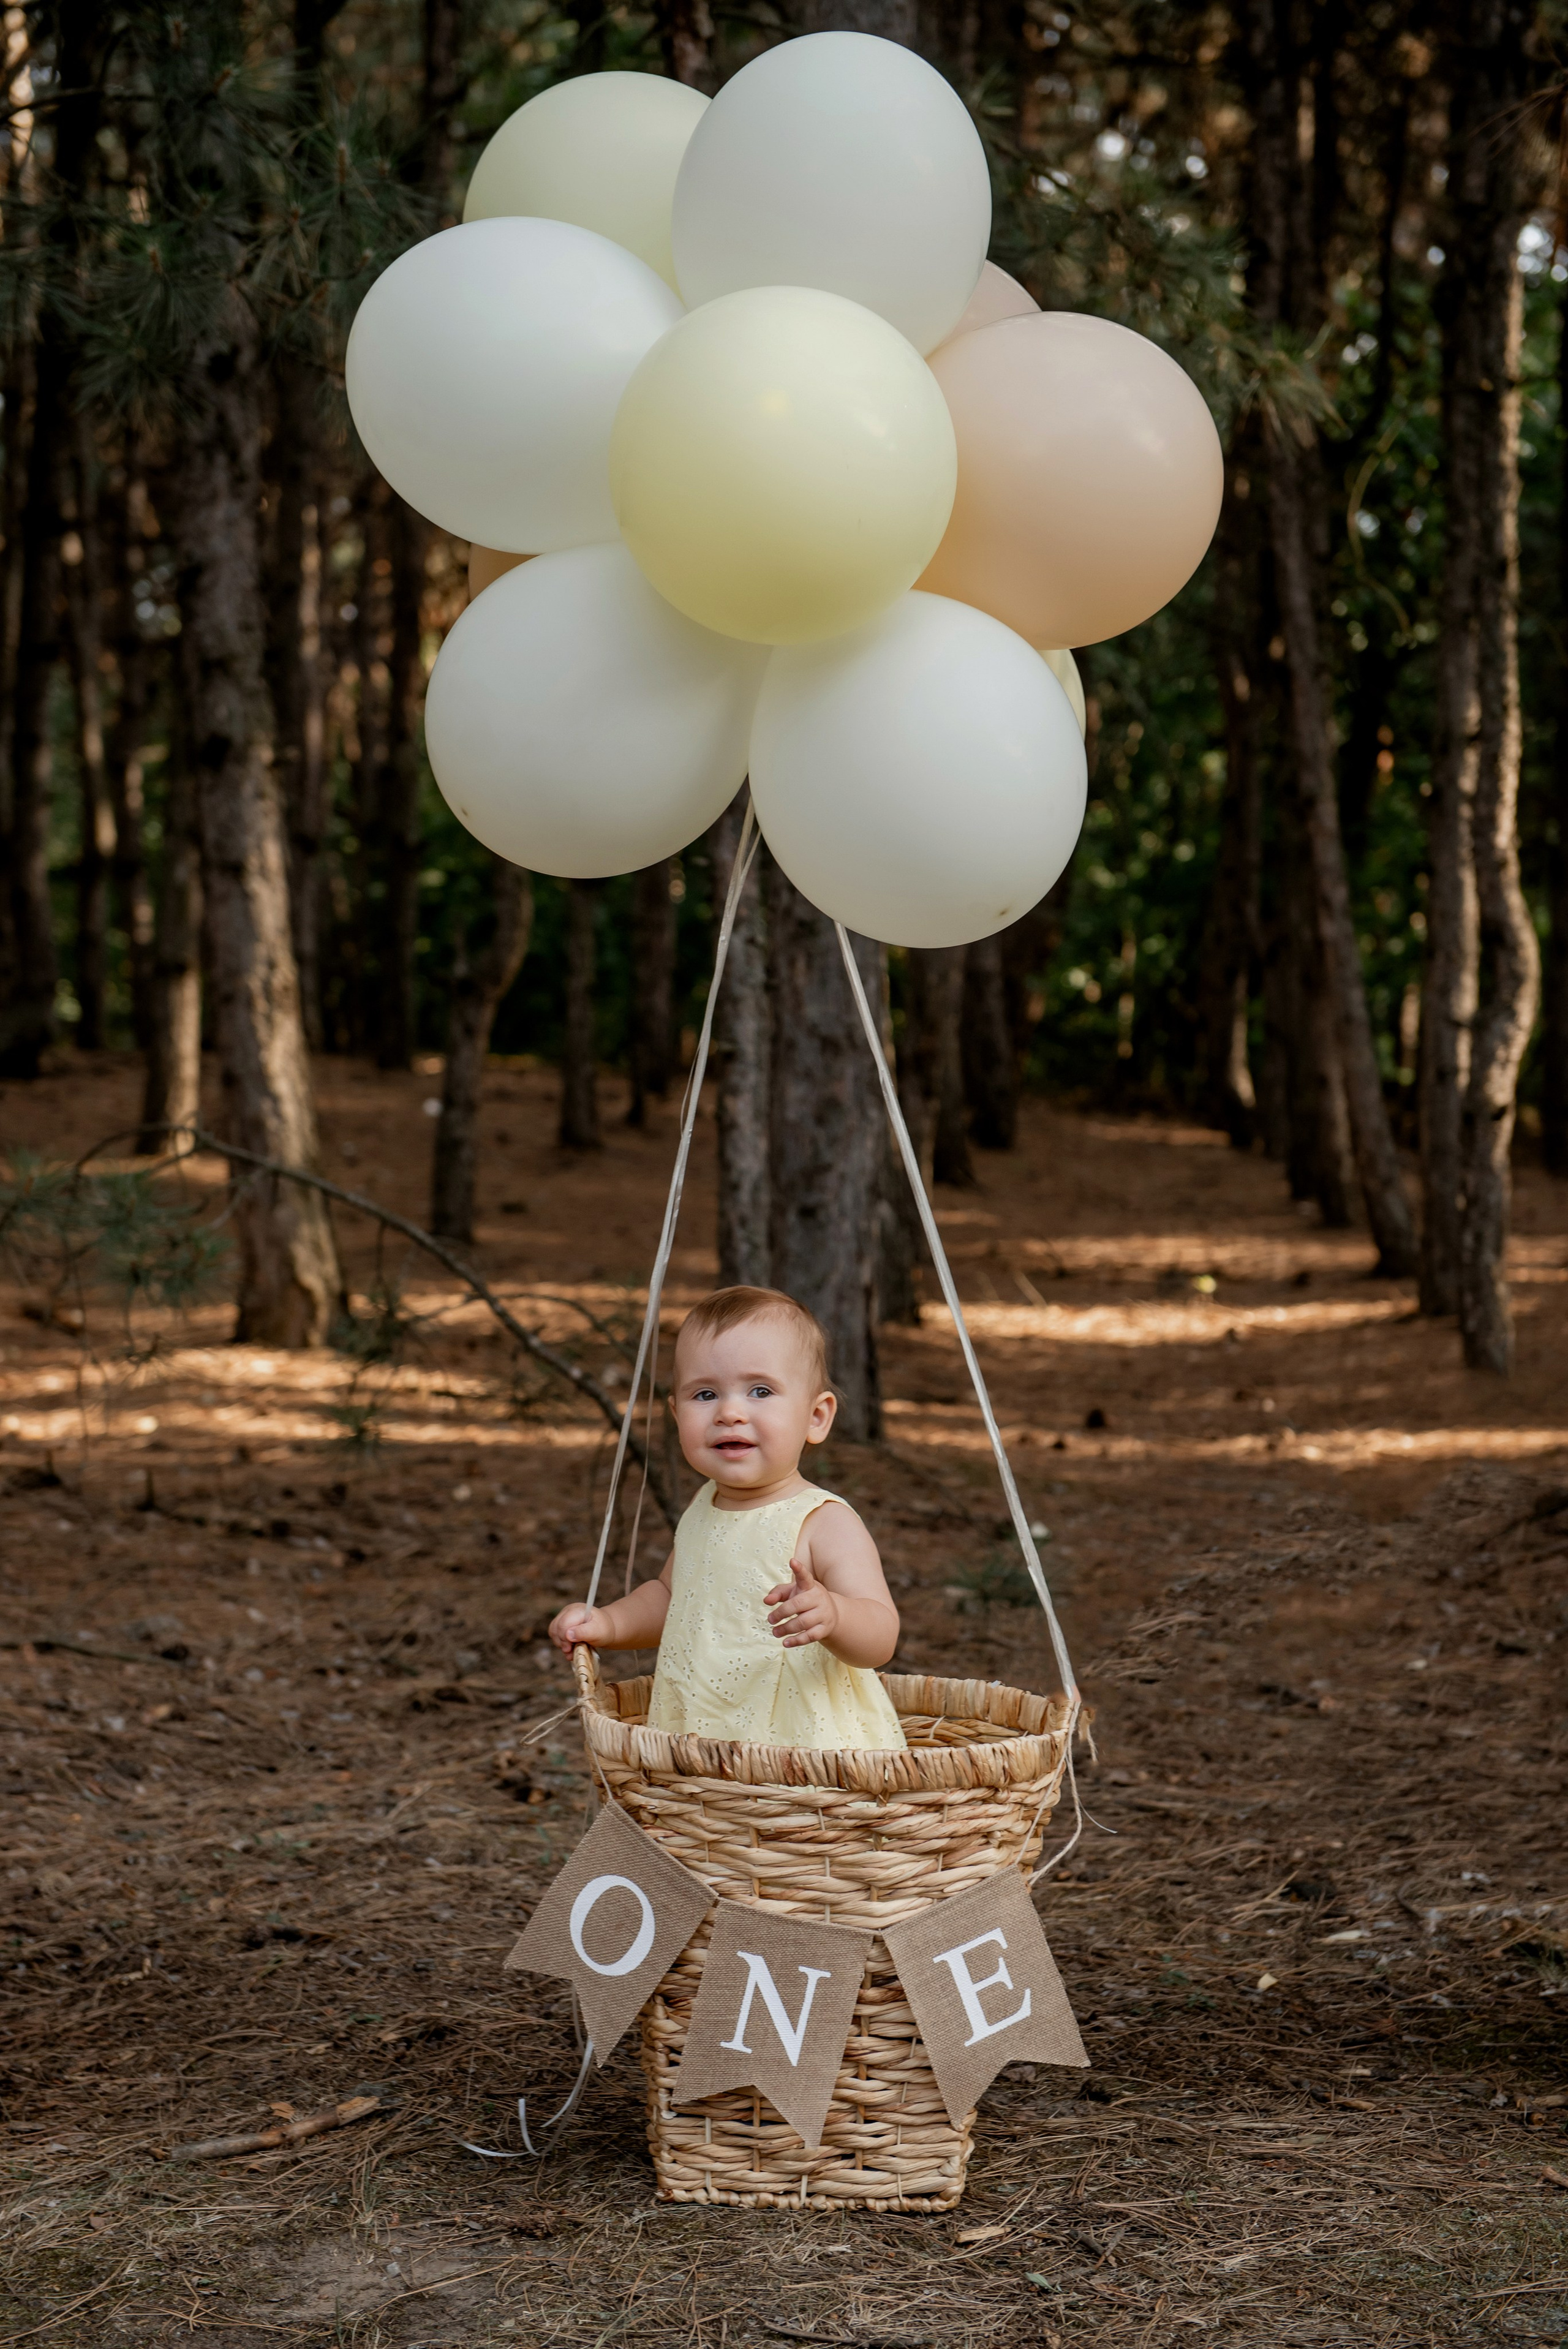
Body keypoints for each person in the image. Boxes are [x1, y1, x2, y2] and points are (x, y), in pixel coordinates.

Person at [549, 1285, 905, 1751]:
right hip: (704, 1731)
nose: (730, 1412)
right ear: (677, 1414)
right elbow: (671, 1597)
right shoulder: (703, 1507)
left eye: (760, 1391)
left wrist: (835, 1615)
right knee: (706, 1825)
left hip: (802, 1748)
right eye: (705, 1394)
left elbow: (881, 1635)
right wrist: (608, 1623)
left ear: (816, 1417)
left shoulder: (823, 1521)